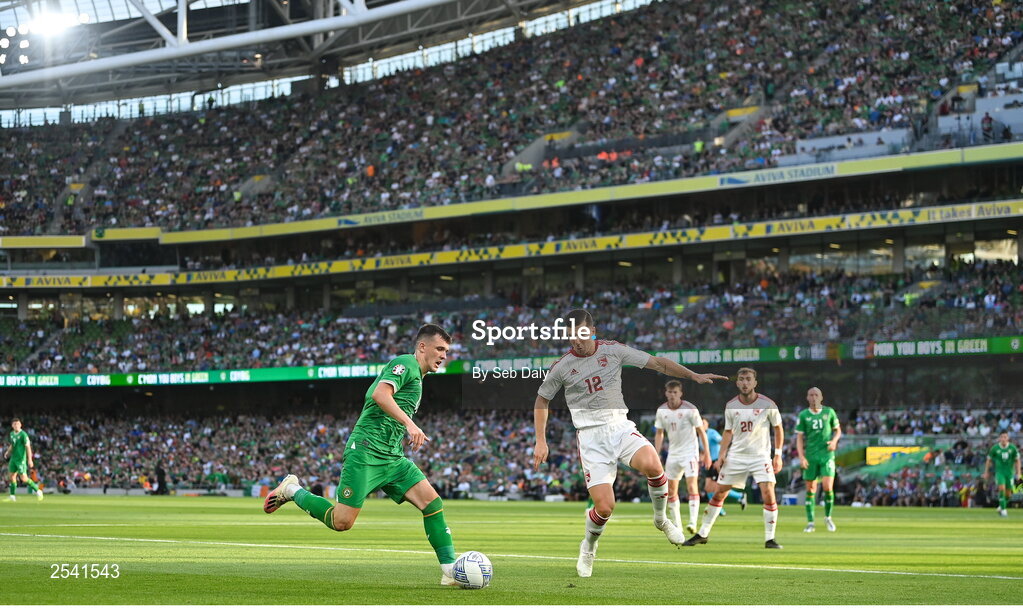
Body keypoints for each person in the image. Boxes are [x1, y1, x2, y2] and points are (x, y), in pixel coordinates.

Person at [532, 309, 728, 578]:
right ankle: (588, 546)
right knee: (604, 507)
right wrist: (540, 441)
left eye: (581, 334)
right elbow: (542, 399)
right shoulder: (562, 366)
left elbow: (658, 363)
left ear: (592, 330)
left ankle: (661, 519)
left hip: (619, 426)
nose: (576, 341)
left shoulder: (614, 350)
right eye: (570, 337)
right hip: (590, 437)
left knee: (653, 464)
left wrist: (692, 375)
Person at [262, 324, 460, 586]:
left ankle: (450, 572)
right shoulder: (406, 364)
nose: (444, 354)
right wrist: (411, 425)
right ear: (422, 346)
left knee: (432, 504)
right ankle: (291, 490)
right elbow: (379, 394)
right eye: (440, 348)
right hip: (366, 451)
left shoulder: (418, 377)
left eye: (446, 350)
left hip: (392, 456)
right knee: (341, 522)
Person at [683, 368, 784, 549]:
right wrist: (721, 456)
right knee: (719, 492)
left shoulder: (767, 404)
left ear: (755, 382)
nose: (745, 383)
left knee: (768, 493)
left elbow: (778, 428)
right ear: (737, 383)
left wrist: (777, 455)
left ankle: (770, 538)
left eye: (748, 379)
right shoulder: (731, 405)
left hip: (760, 456)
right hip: (736, 455)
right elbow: (728, 432)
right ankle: (703, 533)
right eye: (742, 379)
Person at [653, 380, 711, 534]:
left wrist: (707, 454)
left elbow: (701, 432)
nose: (672, 395)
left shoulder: (690, 409)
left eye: (675, 392)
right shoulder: (662, 411)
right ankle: (678, 527)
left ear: (680, 393)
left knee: (692, 486)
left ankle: (692, 523)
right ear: (666, 393)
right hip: (673, 454)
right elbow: (659, 433)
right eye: (670, 392)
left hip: (690, 453)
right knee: (671, 491)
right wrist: (656, 454)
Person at [795, 387, 841, 532]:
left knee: (828, 487)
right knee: (811, 489)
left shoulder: (829, 412)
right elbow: (800, 438)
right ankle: (810, 522)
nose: (813, 397)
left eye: (816, 395)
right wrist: (801, 457)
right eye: (811, 395)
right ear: (807, 397)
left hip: (827, 455)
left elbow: (838, 430)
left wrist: (834, 442)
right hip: (811, 456)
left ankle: (828, 517)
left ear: (821, 397)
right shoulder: (803, 415)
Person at [701, 417, 746, 515]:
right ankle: (739, 496)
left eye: (703, 423)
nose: (702, 425)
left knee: (717, 487)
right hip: (709, 462)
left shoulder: (711, 433)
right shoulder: (700, 436)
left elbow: (722, 442)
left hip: (716, 461)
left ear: (708, 424)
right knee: (708, 488)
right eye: (700, 423)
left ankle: (718, 509)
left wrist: (721, 456)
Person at [983, 431, 1021, 517]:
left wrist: (1019, 473)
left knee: (1008, 495)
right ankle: (1004, 511)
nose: (1003, 439)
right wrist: (986, 472)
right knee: (1001, 489)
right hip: (1000, 473)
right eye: (1002, 437)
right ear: (999, 438)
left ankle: (1001, 506)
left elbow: (1017, 460)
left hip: (1010, 473)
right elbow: (988, 460)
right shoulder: (995, 448)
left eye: (1005, 437)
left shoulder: (1012, 448)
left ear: (1008, 438)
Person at [6, 418, 43, 502]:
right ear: (12, 426)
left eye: (18, 424)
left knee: (24, 478)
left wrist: (30, 459)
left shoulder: (23, 435)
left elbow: (28, 447)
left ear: (20, 425)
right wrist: (7, 452)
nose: (16, 425)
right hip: (13, 459)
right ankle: (12, 496)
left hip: (21, 460)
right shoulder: (11, 434)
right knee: (11, 477)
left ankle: (38, 490)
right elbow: (12, 444)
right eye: (14, 424)